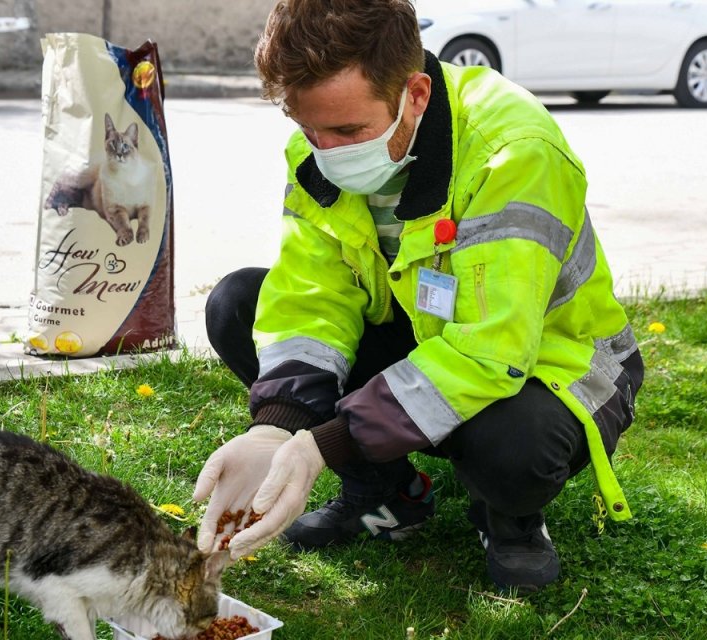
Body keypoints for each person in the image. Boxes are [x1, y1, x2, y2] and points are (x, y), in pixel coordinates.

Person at [191, 0, 644, 592]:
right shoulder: (318, 155)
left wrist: (325, 445)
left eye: (349, 131)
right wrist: (275, 429)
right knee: (237, 304)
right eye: (309, 129)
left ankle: (508, 518)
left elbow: (492, 349)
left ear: (418, 94)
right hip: (427, 331)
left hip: (551, 362)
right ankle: (385, 496)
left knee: (511, 444)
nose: (326, 152)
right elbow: (311, 298)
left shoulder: (514, 149)